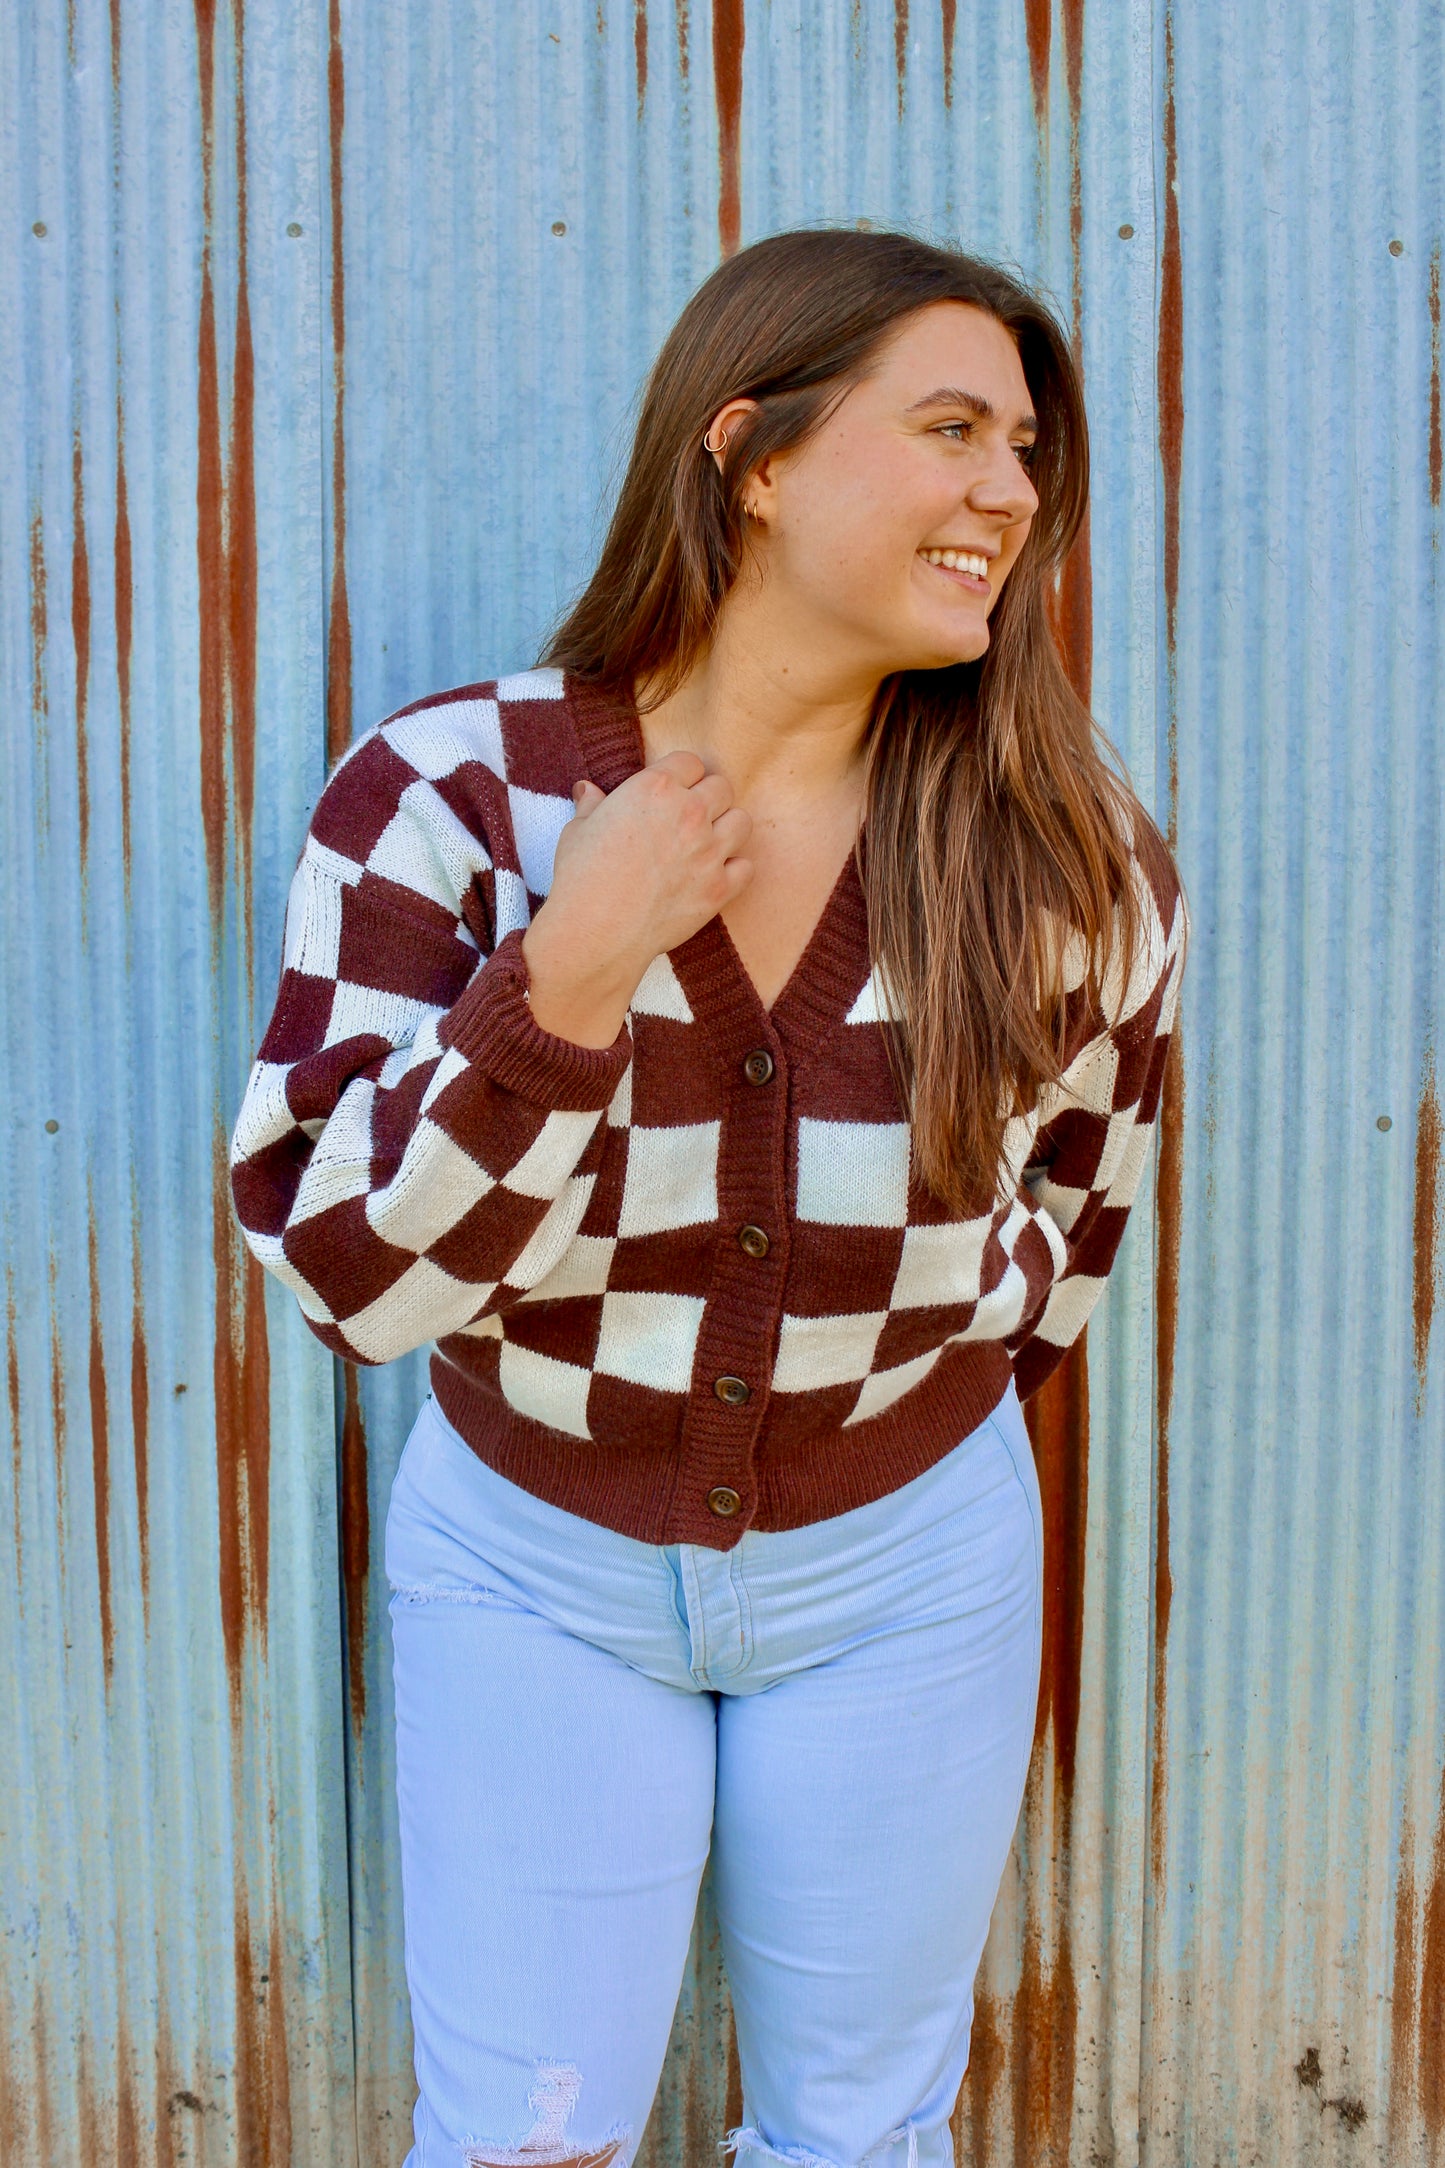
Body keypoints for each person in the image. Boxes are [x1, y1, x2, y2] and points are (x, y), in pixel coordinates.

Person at [231, 227, 1185, 2168]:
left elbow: (1067, 1232)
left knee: (862, 2138)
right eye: (950, 429)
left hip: (906, 1572)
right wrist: (565, 983)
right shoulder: (450, 800)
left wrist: (893, 1451)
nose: (1010, 490)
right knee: (526, 2141)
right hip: (535, 1569)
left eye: (1022, 449)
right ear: (754, 457)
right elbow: (346, 1276)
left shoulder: (1069, 862)